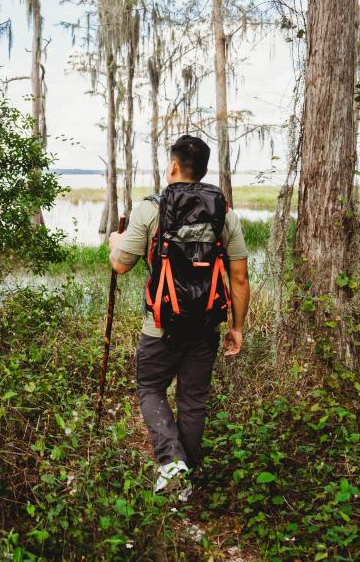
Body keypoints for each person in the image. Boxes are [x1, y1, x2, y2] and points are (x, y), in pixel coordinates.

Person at [107, 135, 251, 501]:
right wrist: (236, 327)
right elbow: (239, 278)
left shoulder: (148, 210)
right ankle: (185, 474)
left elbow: (121, 265)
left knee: (150, 388)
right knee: (193, 400)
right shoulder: (225, 214)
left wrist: (113, 243)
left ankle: (172, 465)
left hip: (160, 326)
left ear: (173, 166)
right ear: (203, 171)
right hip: (206, 327)